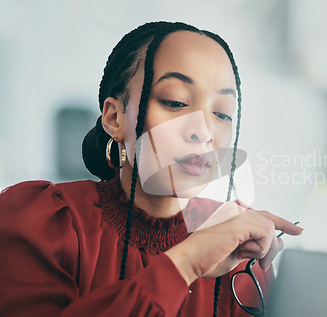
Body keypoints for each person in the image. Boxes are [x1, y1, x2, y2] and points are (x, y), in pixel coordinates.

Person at [0, 21, 303, 316]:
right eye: (175, 102)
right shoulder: (40, 221)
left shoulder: (239, 254)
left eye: (222, 114)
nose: (204, 131)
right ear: (114, 118)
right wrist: (185, 264)